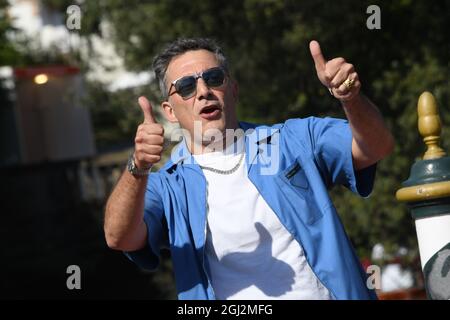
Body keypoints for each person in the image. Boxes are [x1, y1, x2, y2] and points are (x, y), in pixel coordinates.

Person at [104, 38, 394, 300]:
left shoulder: (292, 140)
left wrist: (350, 99)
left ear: (233, 89)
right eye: (186, 87)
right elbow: (118, 237)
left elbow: (376, 147)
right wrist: (137, 166)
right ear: (169, 110)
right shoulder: (167, 186)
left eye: (214, 78)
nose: (203, 91)